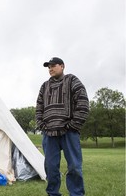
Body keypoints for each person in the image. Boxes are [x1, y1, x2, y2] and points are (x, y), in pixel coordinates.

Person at [35, 57, 89, 196]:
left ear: (62, 66)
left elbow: (83, 104)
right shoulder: (44, 86)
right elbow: (39, 107)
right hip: (49, 133)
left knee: (74, 167)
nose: (50, 69)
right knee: (50, 167)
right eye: (49, 67)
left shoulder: (72, 80)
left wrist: (73, 125)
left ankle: (76, 194)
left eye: (53, 66)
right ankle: (53, 193)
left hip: (69, 132)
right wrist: (41, 125)